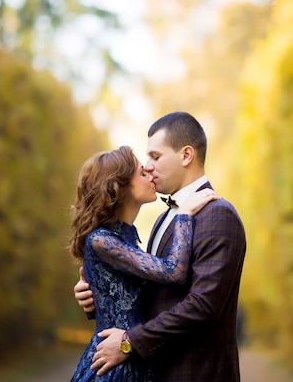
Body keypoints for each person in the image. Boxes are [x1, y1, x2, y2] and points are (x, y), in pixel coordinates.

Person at [74, 112, 247, 382]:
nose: (148, 166)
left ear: (186, 155)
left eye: (155, 157)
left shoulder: (217, 215)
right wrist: (98, 292)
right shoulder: (164, 219)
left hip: (194, 374)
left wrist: (129, 341)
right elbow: (151, 294)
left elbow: (203, 306)